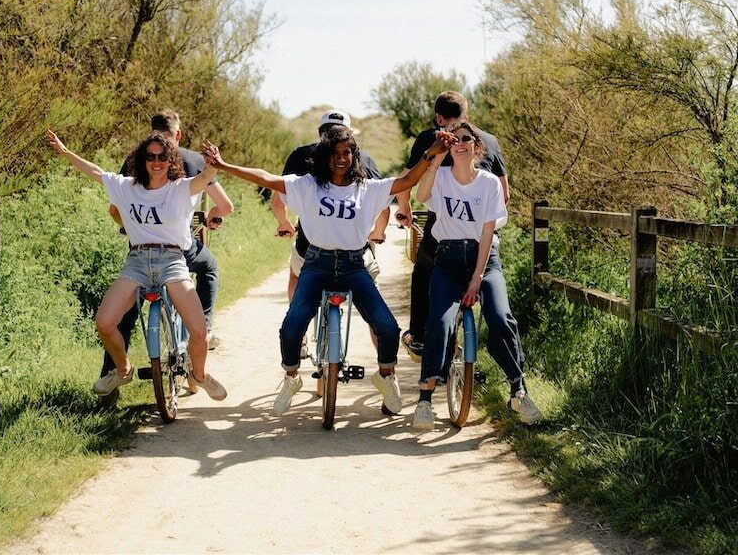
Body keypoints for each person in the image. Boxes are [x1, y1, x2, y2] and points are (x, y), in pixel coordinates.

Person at [203, 125, 455, 416]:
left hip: (353, 265)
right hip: (317, 264)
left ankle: (386, 377)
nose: (342, 158)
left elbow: (408, 179)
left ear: (354, 156)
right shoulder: (308, 185)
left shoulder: (367, 189)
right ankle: (291, 378)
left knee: (388, 327)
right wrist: (223, 166)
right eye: (335, 153)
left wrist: (432, 152)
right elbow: (265, 177)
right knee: (292, 325)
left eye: (348, 153)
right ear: (325, 156)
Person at [46, 129, 227, 401]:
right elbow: (95, 172)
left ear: (171, 159)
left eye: (163, 156)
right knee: (105, 323)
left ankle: (198, 375)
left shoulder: (180, 189)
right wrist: (64, 152)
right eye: (151, 156)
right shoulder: (128, 188)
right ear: (142, 159)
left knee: (200, 331)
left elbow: (204, 179)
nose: (157, 162)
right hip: (137, 262)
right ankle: (123, 370)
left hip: (172, 261)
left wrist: (214, 163)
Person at [395, 91, 541, 425]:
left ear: (478, 146)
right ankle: (425, 398)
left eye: (467, 140)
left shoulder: (486, 182)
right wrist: (437, 154)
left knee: (501, 317)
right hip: (447, 254)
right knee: (440, 321)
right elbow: (421, 191)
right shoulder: (440, 165)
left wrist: (476, 277)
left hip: (483, 256)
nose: (460, 142)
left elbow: (492, 220)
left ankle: (519, 392)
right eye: (456, 139)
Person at [101, 109, 233, 403]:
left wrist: (130, 225)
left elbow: (115, 209)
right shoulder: (194, 159)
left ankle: (111, 377)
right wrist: (211, 217)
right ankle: (205, 329)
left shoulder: (137, 160)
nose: (158, 160)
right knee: (208, 267)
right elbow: (225, 205)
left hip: (141, 245)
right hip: (180, 248)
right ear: (179, 134)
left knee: (124, 313)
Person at [270, 109, 389, 354]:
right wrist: (377, 232)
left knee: (296, 275)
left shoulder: (302, 155)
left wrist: (284, 224)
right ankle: (385, 362)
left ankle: (300, 333)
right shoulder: (362, 159)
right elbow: (383, 206)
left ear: (320, 133)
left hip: (310, 248)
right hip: (357, 251)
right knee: (372, 302)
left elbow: (278, 198)